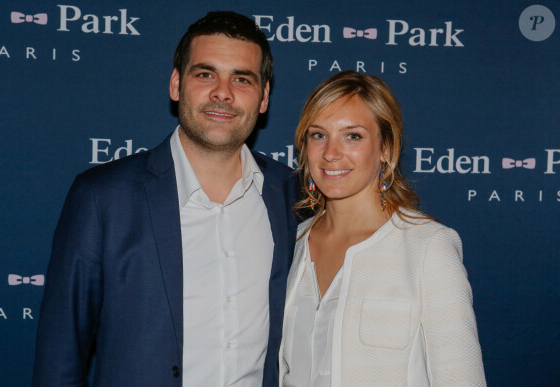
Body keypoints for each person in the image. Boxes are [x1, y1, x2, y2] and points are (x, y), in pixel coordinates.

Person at [32, 11, 298, 386]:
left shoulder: (291, 195)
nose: (223, 92)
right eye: (205, 74)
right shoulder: (103, 197)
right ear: (176, 84)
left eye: (242, 78)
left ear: (264, 97)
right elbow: (59, 359)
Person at [279, 71, 486, 386]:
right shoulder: (292, 243)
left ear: (386, 148)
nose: (331, 153)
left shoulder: (427, 247)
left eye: (353, 136)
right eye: (318, 135)